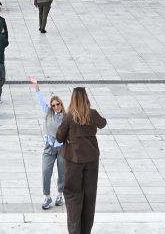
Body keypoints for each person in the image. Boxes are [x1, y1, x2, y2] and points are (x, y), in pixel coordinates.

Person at [57, 86, 107, 234]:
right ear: (86, 99)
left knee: (73, 196)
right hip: (91, 160)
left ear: (73, 99)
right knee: (89, 196)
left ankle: (74, 231)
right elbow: (103, 123)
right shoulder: (92, 114)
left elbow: (59, 137)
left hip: (73, 161)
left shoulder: (69, 117)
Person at [29, 76, 66, 210]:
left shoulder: (66, 117)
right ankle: (47, 197)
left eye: (58, 104)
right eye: (54, 105)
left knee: (62, 172)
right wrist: (36, 85)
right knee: (46, 171)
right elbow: (40, 99)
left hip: (62, 148)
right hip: (49, 148)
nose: (56, 106)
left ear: (61, 104)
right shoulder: (48, 113)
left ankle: (60, 195)